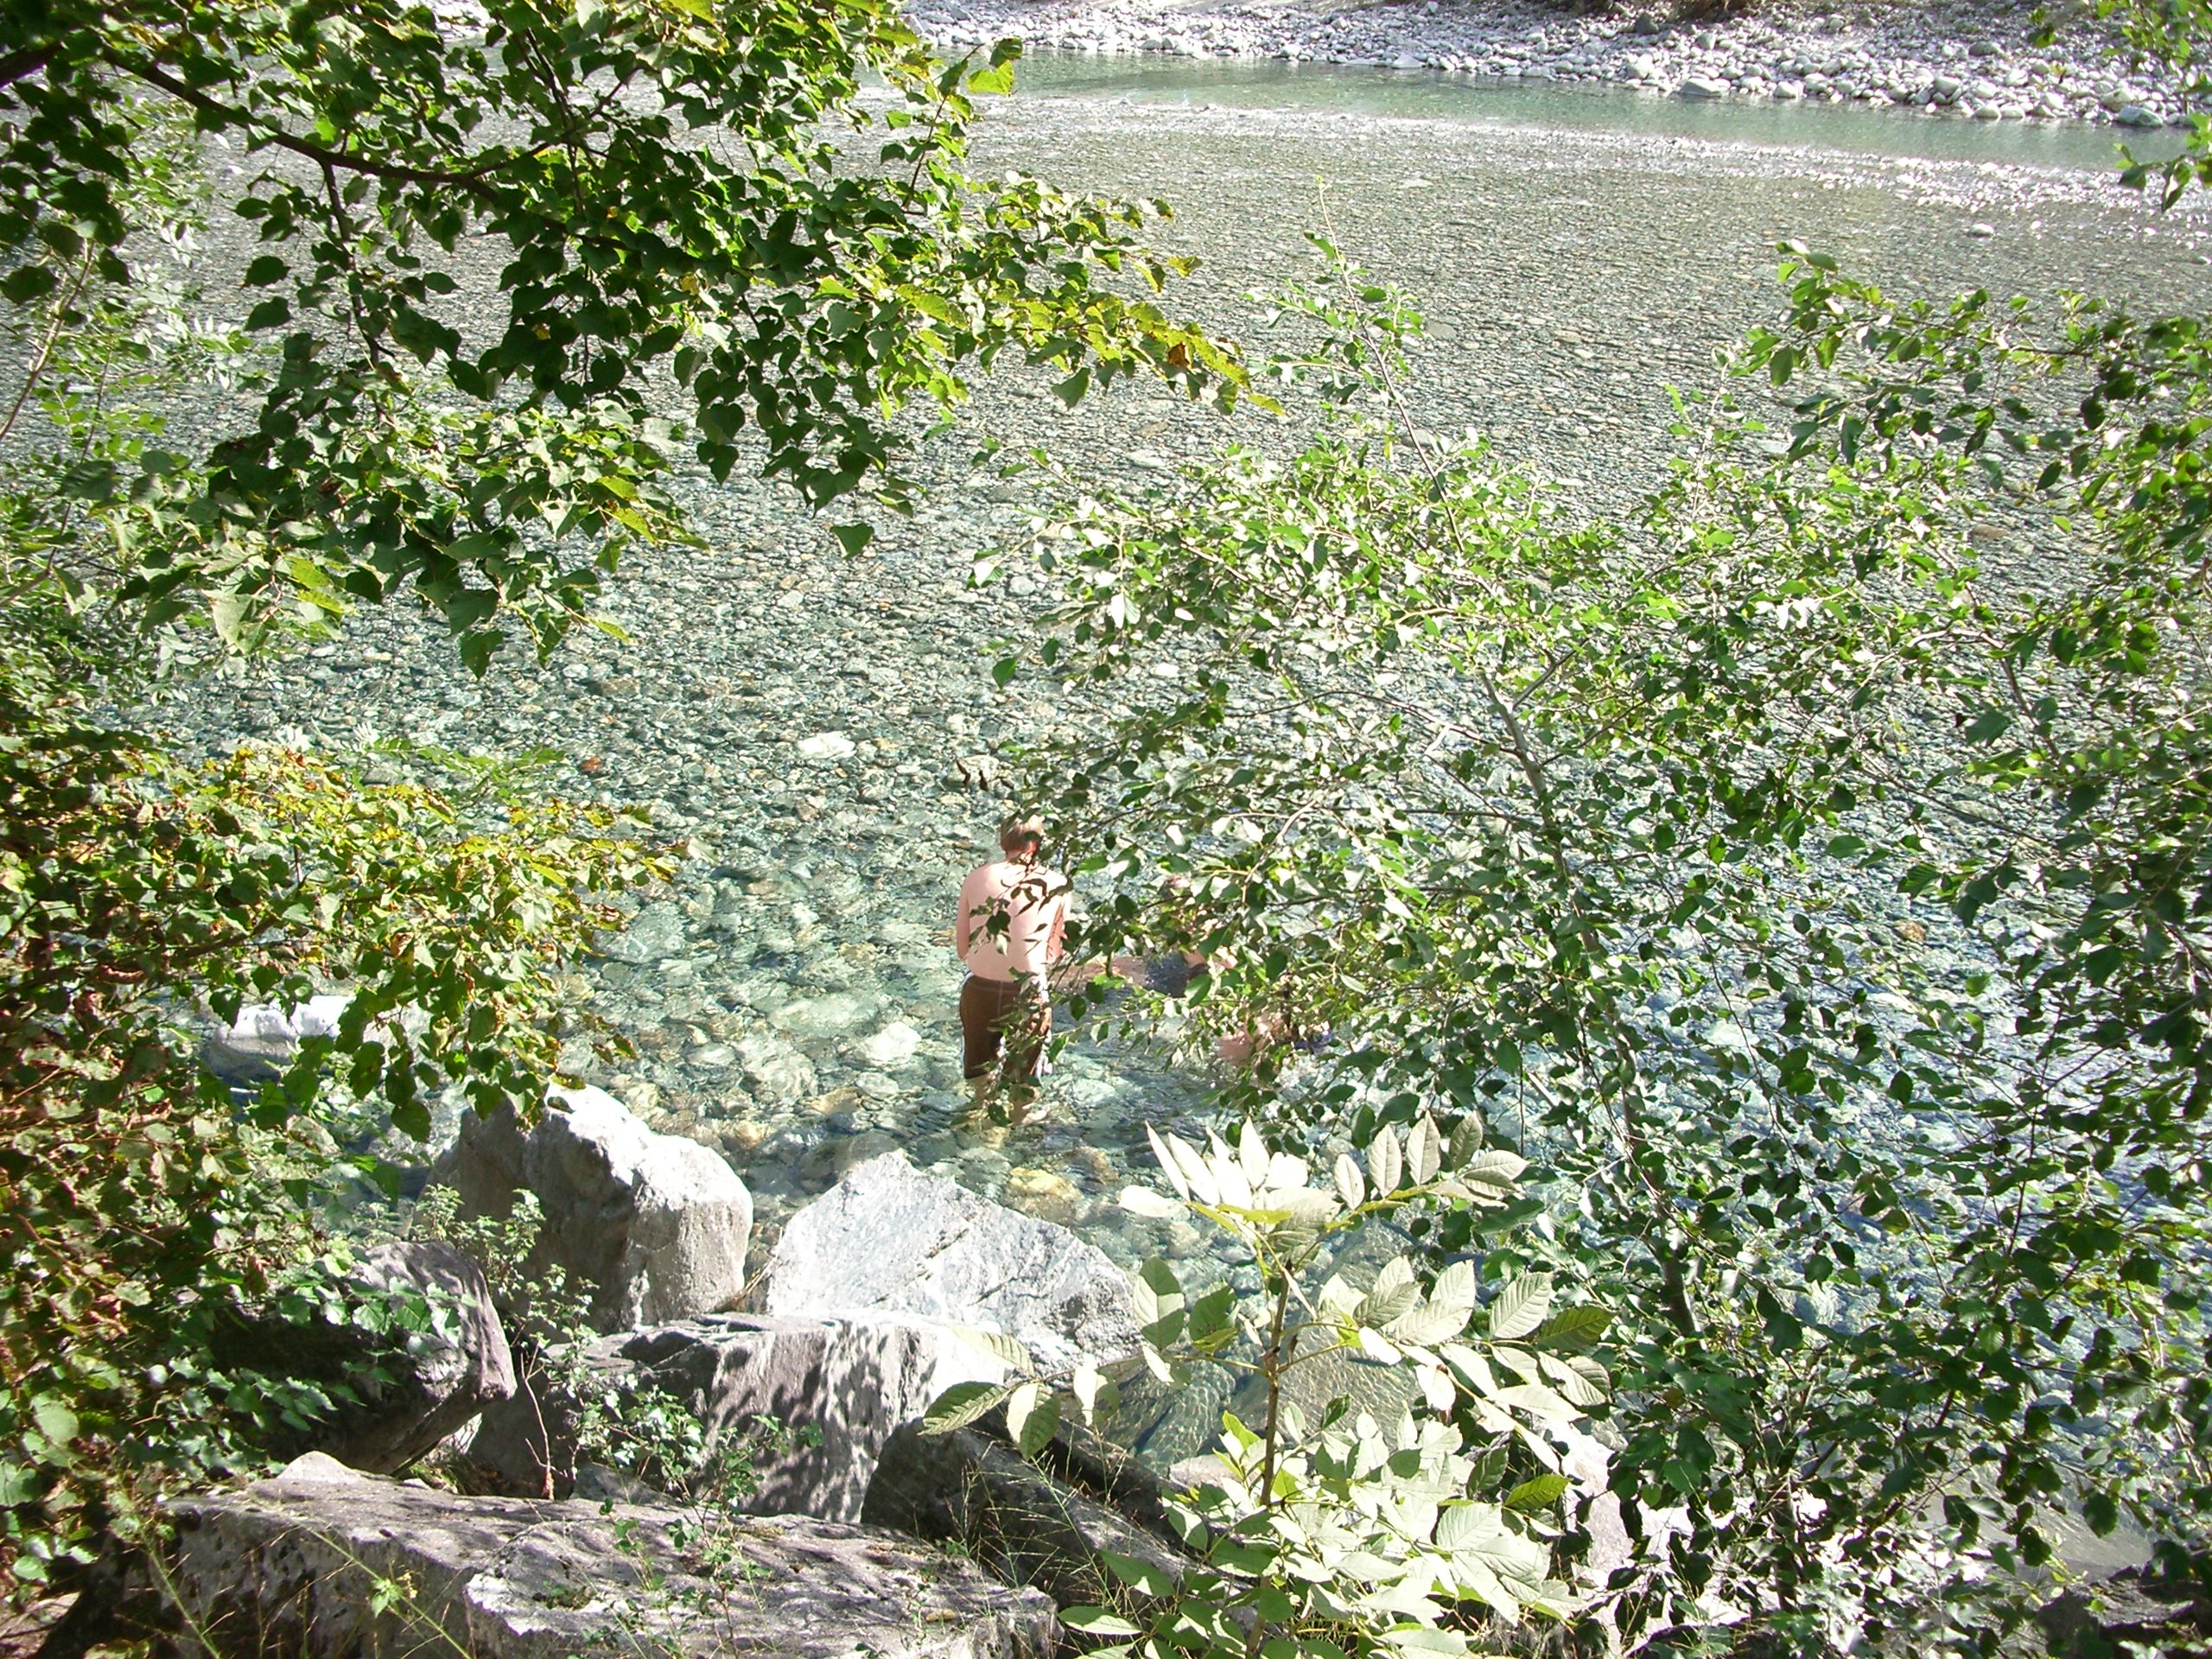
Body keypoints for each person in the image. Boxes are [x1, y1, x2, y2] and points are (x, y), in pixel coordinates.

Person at [954, 814, 1071, 1105]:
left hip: (979, 990)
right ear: (1037, 844)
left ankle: (979, 1116)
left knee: (979, 1073)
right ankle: (1016, 1121)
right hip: (1027, 992)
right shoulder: (1057, 884)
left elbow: (963, 949)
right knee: (1025, 1079)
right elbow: (1056, 952)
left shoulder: (976, 877)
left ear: (1002, 842)